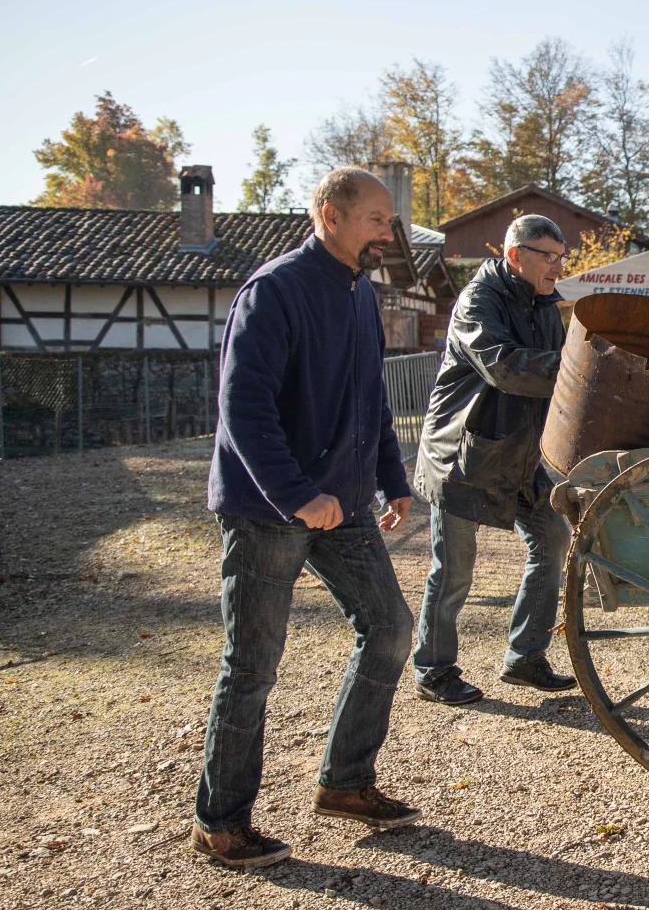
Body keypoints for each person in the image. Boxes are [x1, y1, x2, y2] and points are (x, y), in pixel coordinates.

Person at [194, 167, 421, 869]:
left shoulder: (359, 292)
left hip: (343, 502)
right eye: (378, 219)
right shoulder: (275, 290)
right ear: (330, 214)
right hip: (269, 508)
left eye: (390, 220)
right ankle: (220, 824)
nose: (390, 231)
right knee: (253, 665)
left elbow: (370, 399)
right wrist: (295, 493)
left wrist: (391, 478)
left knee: (388, 627)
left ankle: (346, 782)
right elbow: (245, 409)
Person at [409, 214, 577, 706]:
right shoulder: (476, 302)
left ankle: (525, 658)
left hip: (523, 454)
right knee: (454, 567)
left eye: (561, 257)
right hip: (464, 454)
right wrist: (577, 366)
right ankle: (434, 670)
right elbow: (504, 367)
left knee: (551, 541)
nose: (557, 267)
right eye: (548, 256)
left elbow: (556, 382)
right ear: (514, 256)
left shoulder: (546, 306)